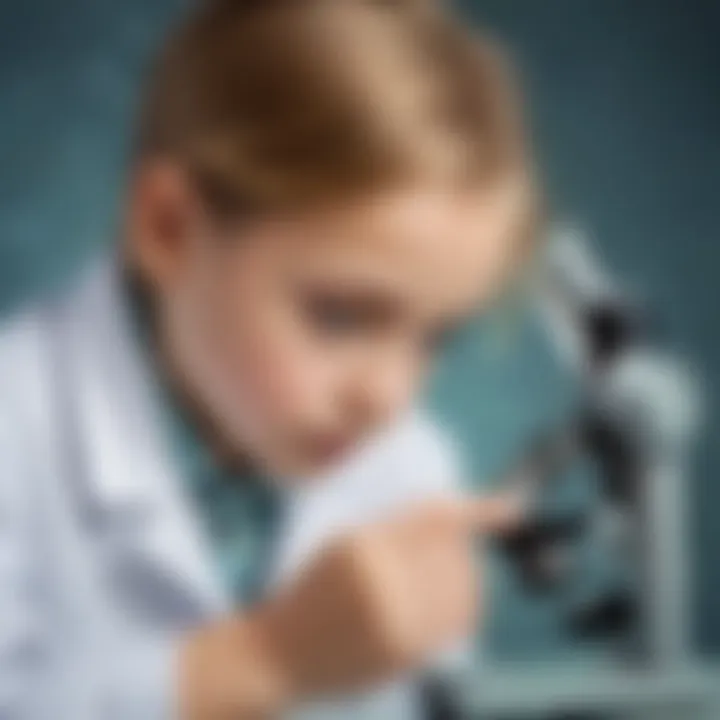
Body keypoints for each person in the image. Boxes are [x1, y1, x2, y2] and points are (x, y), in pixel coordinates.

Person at [0, 0, 539, 717]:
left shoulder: (407, 465)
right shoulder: (19, 427)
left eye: (437, 337)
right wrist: (268, 658)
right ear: (167, 230)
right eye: (340, 316)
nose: (388, 396)